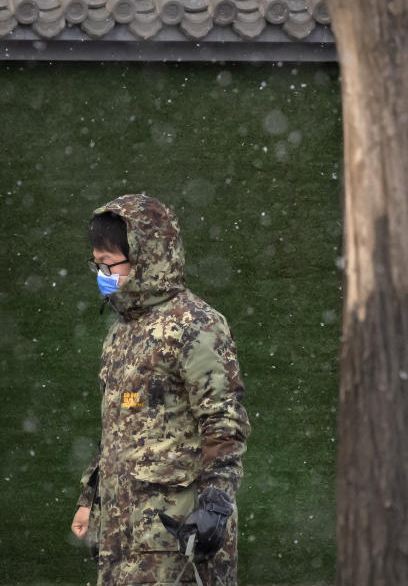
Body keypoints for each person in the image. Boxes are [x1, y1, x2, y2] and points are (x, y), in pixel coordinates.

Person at [70, 194, 252, 585]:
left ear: (145, 256)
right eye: (96, 264)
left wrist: (216, 504)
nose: (100, 274)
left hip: (176, 537)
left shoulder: (195, 326)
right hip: (124, 539)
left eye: (107, 264)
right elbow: (118, 429)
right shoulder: (121, 333)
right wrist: (92, 499)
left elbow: (224, 421)